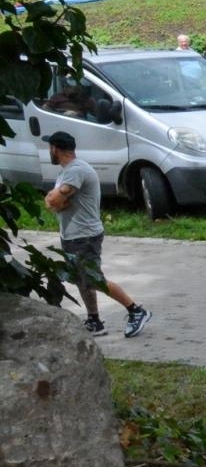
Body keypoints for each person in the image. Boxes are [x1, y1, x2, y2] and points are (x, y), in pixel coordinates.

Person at [43, 132, 152, 339]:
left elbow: (54, 201)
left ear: (55, 148)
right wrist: (54, 201)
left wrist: (54, 200)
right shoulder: (67, 172)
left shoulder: (76, 171)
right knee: (81, 280)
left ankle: (136, 310)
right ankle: (94, 321)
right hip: (71, 235)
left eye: (50, 147)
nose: (50, 151)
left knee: (94, 279)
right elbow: (54, 203)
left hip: (84, 236)